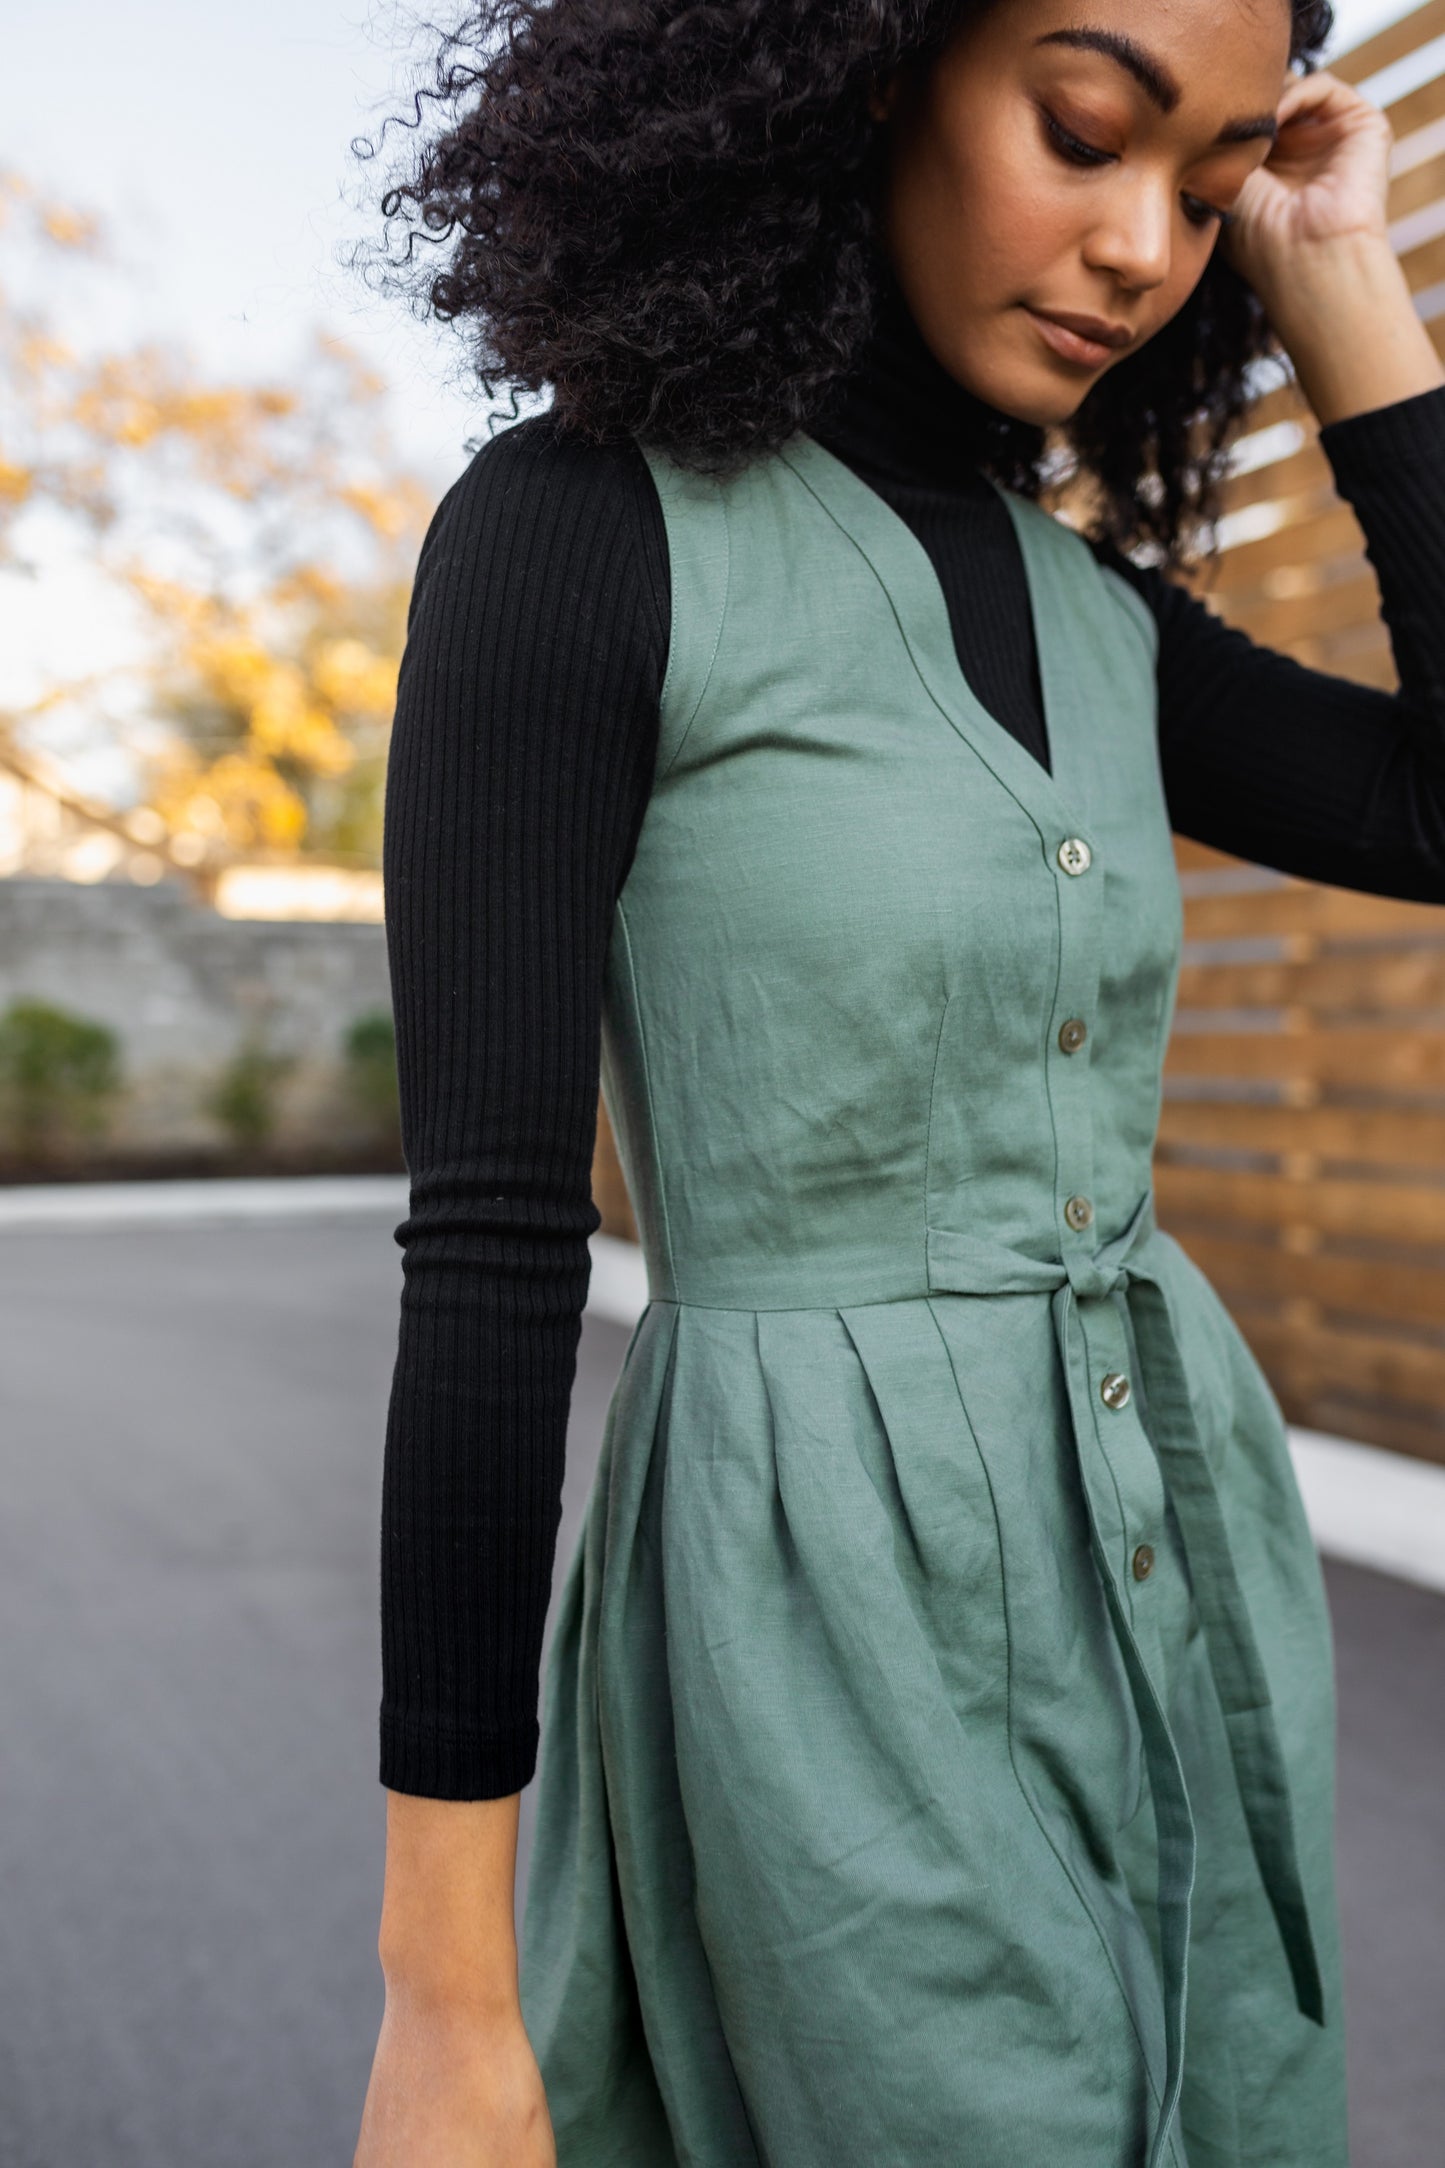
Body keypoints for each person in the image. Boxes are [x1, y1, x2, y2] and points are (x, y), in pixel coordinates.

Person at [355, 0, 1445, 2161]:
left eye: (1208, 191)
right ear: (863, 63)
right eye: (1085, 130)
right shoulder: (580, 534)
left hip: (1171, 1555)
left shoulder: (1102, 623)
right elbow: (487, 1250)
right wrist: (449, 2001)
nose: (1148, 247)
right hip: (815, 1605)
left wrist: (1355, 316)